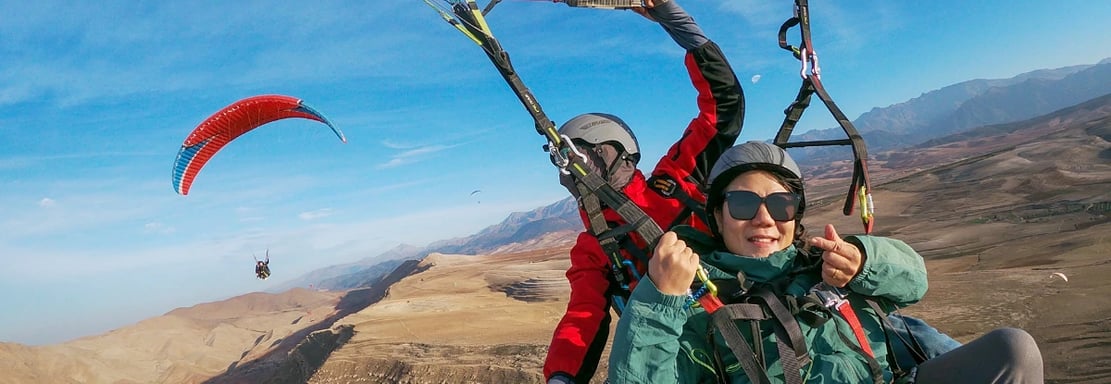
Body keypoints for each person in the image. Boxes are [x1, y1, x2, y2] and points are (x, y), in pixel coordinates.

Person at [607, 141, 1044, 383]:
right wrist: (657, 298)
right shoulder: (693, 299)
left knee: (1014, 350)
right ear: (718, 217)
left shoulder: (826, 264)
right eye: (742, 203)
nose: (763, 218)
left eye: (780, 204)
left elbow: (915, 282)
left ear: (795, 215)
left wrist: (865, 262)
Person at [543, 2, 744, 383]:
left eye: (582, 156)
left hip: (750, 318)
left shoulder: (675, 180)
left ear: (611, 151)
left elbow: (722, 111)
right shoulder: (595, 246)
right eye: (566, 162)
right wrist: (561, 376)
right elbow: (583, 315)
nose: (573, 169)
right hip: (679, 359)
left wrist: (680, 26)